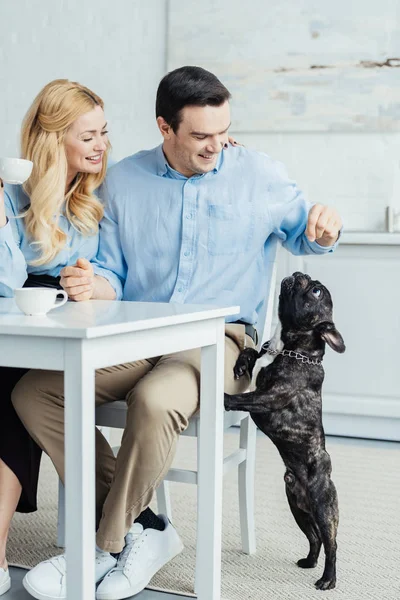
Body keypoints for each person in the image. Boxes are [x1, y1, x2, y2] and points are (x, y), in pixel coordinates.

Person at [13, 66, 343, 600]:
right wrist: (93, 285)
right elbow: (114, 275)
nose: (217, 147)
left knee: (155, 398)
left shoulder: (258, 174)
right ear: (164, 127)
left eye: (222, 133)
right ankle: (147, 528)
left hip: (221, 342)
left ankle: (103, 547)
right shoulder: (124, 180)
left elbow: (307, 234)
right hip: (135, 333)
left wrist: (325, 229)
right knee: (36, 392)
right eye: (200, 136)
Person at [0, 78, 112, 597]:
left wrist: (95, 284)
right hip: (15, 329)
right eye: (88, 136)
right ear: (53, 140)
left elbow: (120, 277)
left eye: (103, 133)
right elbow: (6, 281)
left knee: (10, 390)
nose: (101, 145)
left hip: (67, 343)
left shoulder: (93, 201)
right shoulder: (12, 194)